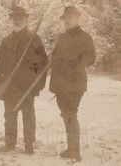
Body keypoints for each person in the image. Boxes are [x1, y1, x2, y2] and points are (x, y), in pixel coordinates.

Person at [0, 7, 48, 155]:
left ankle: (29, 145)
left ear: (26, 20)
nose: (18, 21)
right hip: (10, 86)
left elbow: (43, 63)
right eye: (15, 18)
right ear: (11, 20)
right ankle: (10, 144)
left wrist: (37, 84)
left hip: (27, 86)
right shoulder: (6, 40)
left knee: (28, 115)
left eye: (21, 18)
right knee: (9, 114)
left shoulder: (35, 39)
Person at [49, 6, 96, 161]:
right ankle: (71, 149)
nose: (67, 20)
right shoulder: (62, 37)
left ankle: (75, 152)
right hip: (60, 83)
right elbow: (56, 57)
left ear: (77, 18)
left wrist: (76, 64)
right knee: (66, 114)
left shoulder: (85, 37)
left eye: (70, 17)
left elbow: (91, 57)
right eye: (65, 18)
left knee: (70, 114)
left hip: (74, 83)